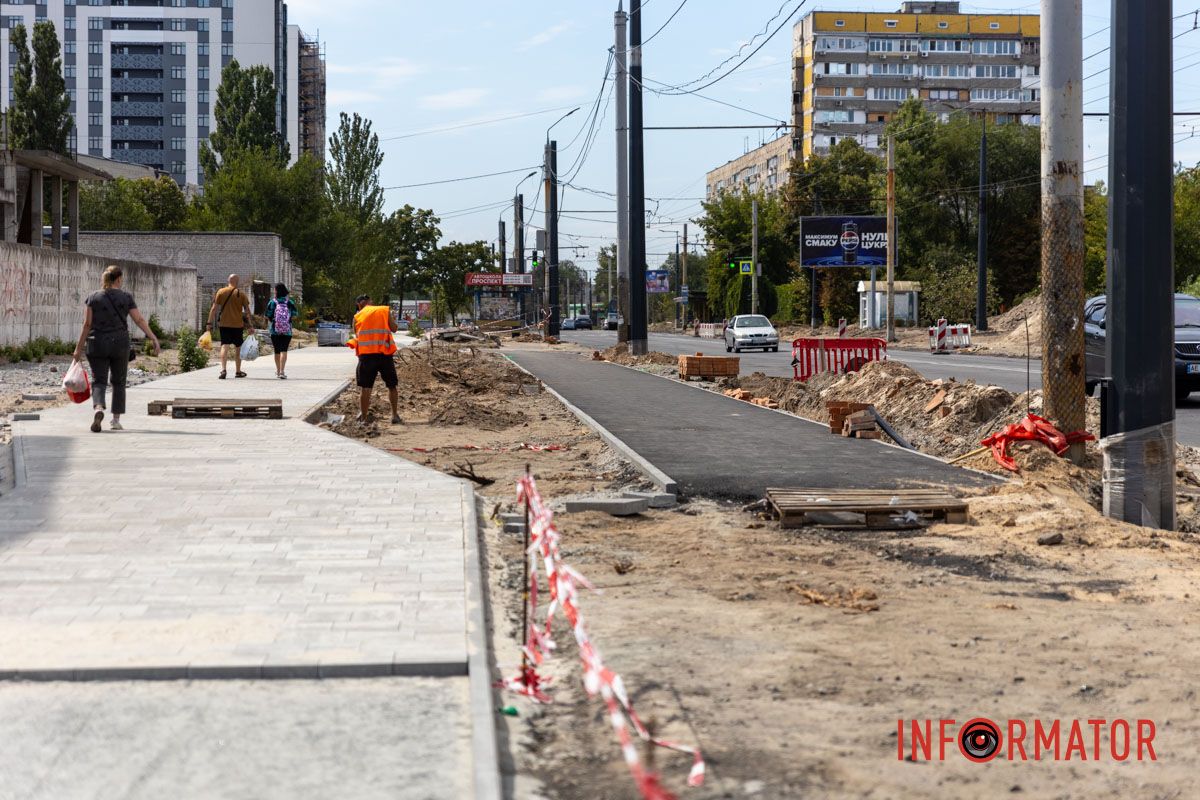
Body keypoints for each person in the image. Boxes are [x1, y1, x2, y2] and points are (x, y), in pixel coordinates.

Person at [72, 265, 160, 432]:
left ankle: (98, 408)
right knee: (119, 381)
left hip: (96, 342)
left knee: (99, 380)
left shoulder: (93, 297)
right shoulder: (126, 297)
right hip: (120, 343)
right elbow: (139, 320)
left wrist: (78, 348)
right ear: (118, 279)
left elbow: (87, 324)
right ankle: (116, 420)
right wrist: (152, 337)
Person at [346, 294, 401, 424]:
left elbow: (357, 335)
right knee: (392, 385)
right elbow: (394, 329)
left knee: (366, 388)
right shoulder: (383, 310)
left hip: (366, 357)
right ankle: (394, 415)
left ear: (359, 305)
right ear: (371, 302)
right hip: (384, 354)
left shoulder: (357, 316)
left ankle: (363, 418)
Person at [206, 274, 252, 379]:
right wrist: (250, 326)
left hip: (224, 325)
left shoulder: (221, 292)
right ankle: (238, 371)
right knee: (238, 348)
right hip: (238, 325)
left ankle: (223, 370)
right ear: (237, 282)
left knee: (224, 346)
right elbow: (248, 312)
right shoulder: (241, 294)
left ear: (228, 280)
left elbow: (214, 309)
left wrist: (209, 323)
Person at [266, 283, 298, 379]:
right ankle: (282, 371)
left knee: (277, 351)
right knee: (284, 350)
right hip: (287, 330)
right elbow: (295, 315)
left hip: (274, 330)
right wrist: (287, 320)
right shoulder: (289, 302)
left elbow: (267, 315)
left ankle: (278, 370)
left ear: (276, 291)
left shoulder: (272, 302)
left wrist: (273, 321)